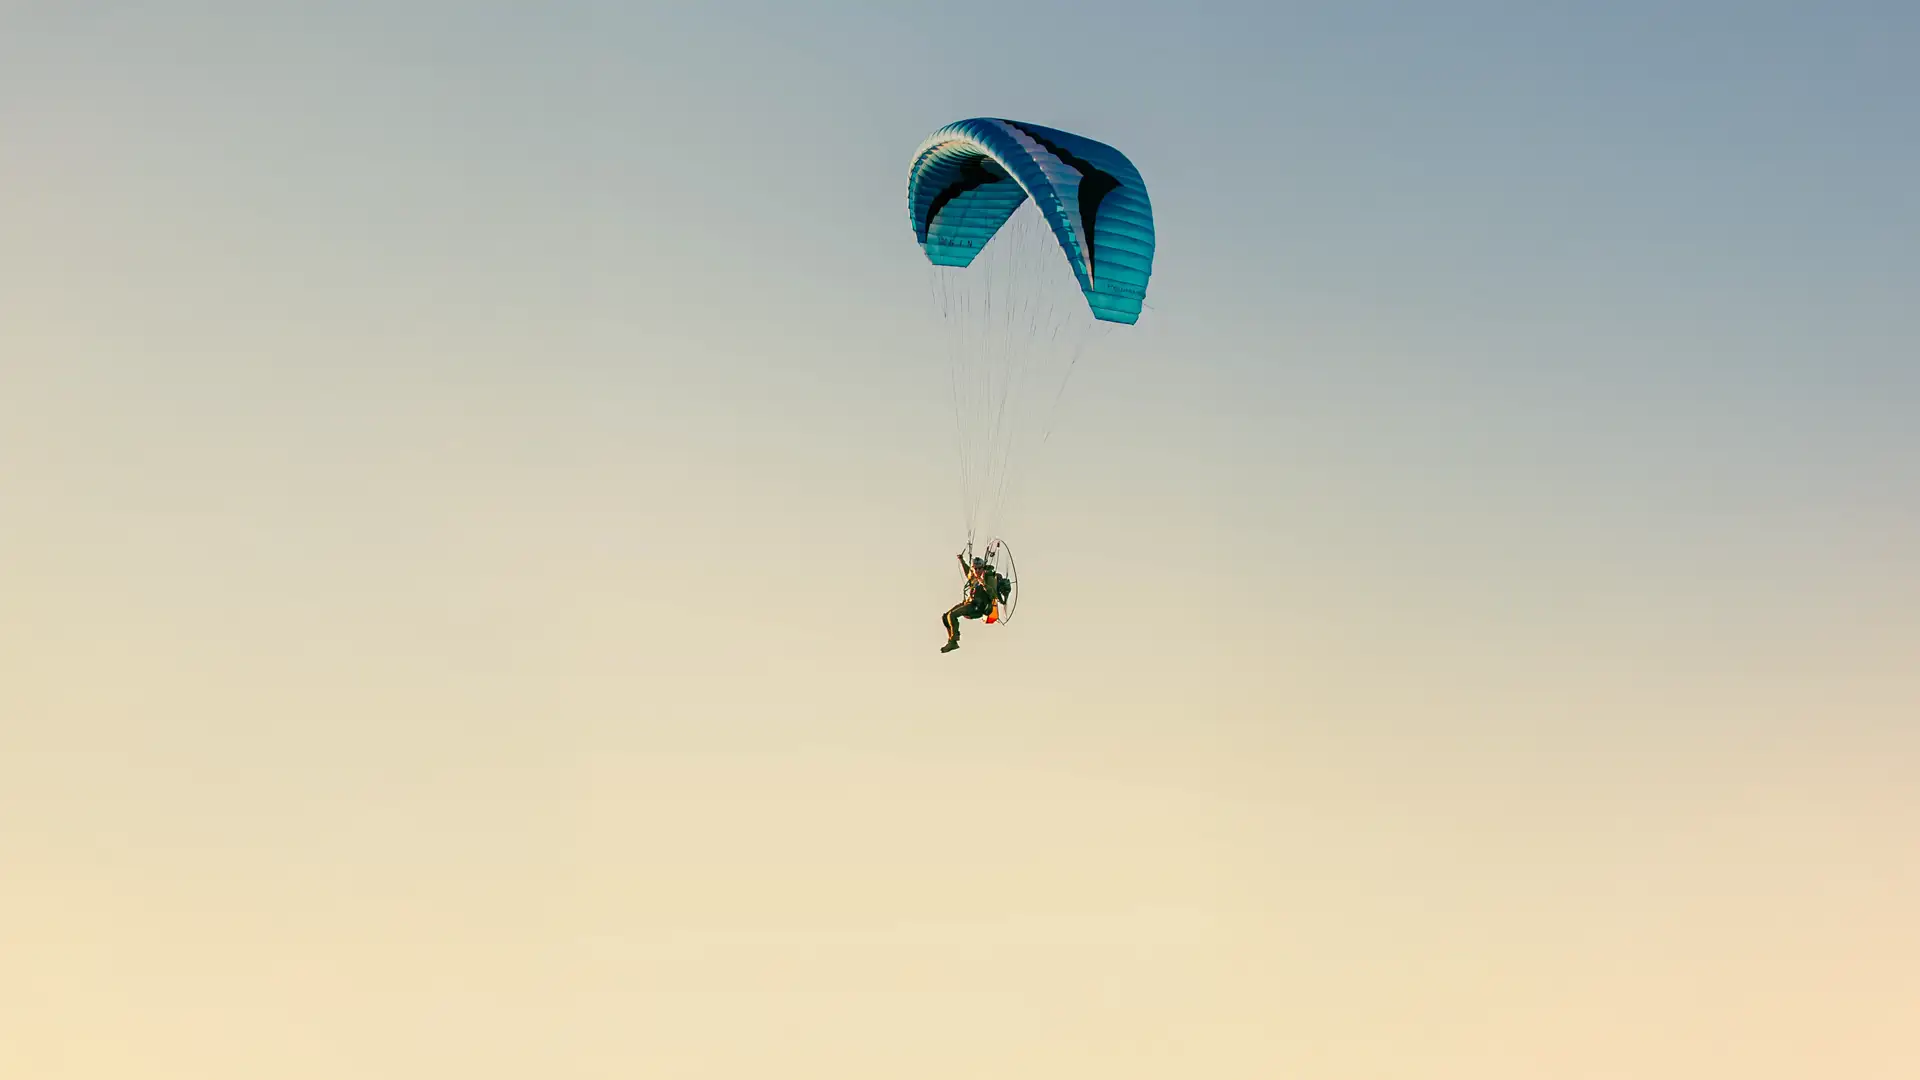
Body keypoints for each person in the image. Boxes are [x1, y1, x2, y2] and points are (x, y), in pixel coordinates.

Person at [940, 552, 999, 652]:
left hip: (978, 607)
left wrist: (984, 584)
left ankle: (953, 641)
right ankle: (952, 640)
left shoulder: (988, 578)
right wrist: (962, 560)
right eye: (975, 569)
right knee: (946, 617)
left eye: (980, 568)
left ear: (983, 568)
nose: (977, 571)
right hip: (969, 603)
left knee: (952, 615)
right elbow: (967, 571)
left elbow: (994, 595)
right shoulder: (973, 576)